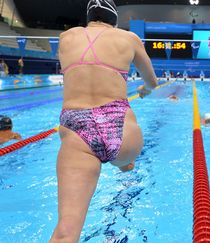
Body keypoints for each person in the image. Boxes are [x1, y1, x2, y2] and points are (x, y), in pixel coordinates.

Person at [49, 0, 158, 242]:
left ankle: (115, 159)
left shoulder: (66, 37)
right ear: (114, 20)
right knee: (125, 160)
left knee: (67, 230)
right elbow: (152, 81)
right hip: (121, 127)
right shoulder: (129, 38)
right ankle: (122, 162)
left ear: (88, 18)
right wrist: (145, 90)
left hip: (77, 128)